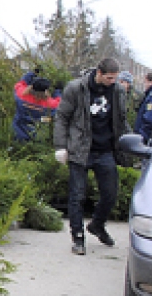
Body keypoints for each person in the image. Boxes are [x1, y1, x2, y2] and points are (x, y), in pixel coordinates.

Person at [53, 58, 128, 256]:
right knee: (77, 196)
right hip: (80, 149)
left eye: (115, 78)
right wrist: (61, 146)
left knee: (110, 193)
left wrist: (130, 143)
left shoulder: (118, 91)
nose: (113, 81)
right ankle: (78, 237)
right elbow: (62, 117)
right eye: (109, 78)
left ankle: (97, 225)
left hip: (105, 150)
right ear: (99, 73)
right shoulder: (76, 88)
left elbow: (121, 121)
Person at [12, 70, 60, 141]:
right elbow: (60, 103)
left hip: (17, 132)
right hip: (37, 135)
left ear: (31, 86)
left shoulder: (20, 95)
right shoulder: (50, 104)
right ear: (46, 90)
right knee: (48, 119)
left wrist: (32, 73)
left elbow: (20, 83)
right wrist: (58, 91)